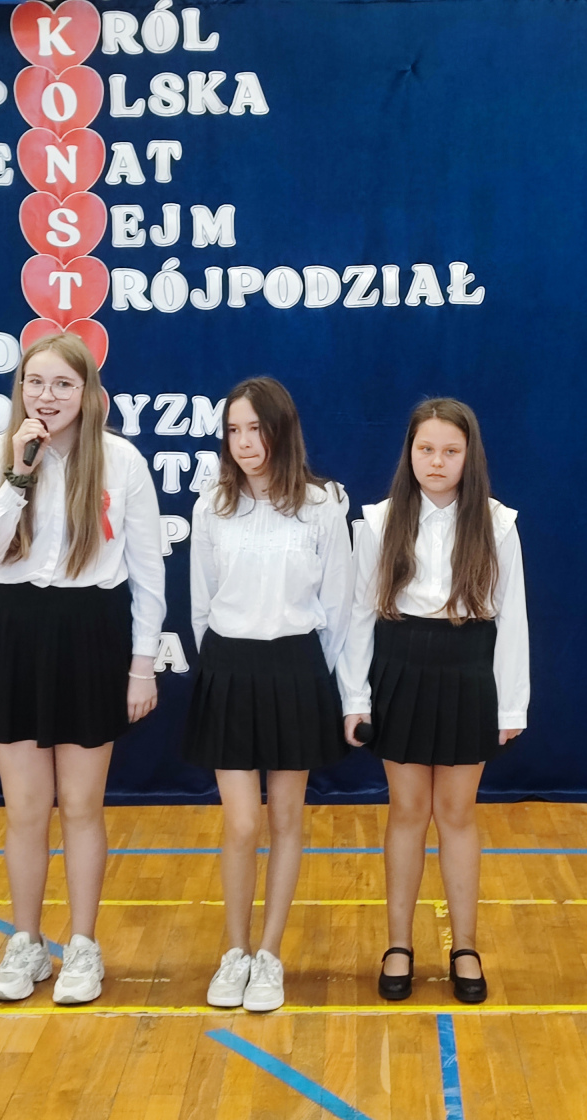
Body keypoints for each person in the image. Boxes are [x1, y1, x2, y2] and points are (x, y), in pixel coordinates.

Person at [0, 331, 165, 1005]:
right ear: (20, 389)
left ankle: (82, 945)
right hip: (15, 628)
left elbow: (149, 571)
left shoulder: (121, 460)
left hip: (90, 632)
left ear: (88, 393)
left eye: (62, 384)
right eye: (35, 383)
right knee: (24, 808)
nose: (47, 397)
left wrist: (142, 665)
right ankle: (26, 942)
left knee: (81, 805)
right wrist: (19, 474)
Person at [339, 399, 529, 1004]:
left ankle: (464, 946)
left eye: (450, 450)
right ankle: (398, 944)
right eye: (426, 449)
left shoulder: (497, 524)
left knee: (457, 813)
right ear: (410, 453)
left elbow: (513, 619)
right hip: (400, 670)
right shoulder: (378, 522)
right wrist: (355, 698)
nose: (437, 461)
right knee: (406, 811)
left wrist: (510, 707)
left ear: (469, 457)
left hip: (468, 672)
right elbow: (359, 615)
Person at [182, 378, 352, 1013]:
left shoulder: (322, 506)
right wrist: (222, 665)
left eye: (256, 429)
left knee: (285, 819)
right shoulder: (211, 507)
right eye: (234, 430)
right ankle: (235, 951)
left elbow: (339, 607)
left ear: (282, 431)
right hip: (229, 667)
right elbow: (200, 604)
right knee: (241, 821)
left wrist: (311, 677)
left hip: (296, 669)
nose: (245, 442)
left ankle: (270, 954)